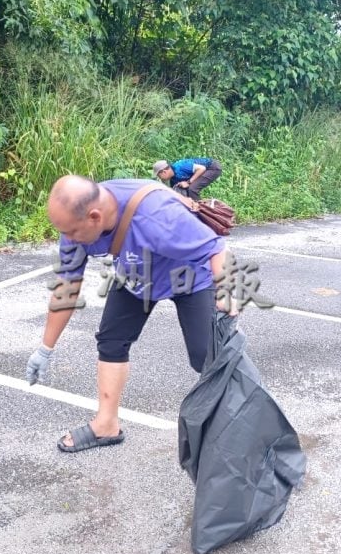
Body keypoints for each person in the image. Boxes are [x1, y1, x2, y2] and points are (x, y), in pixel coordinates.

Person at [26, 175, 231, 453]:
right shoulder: (78, 221)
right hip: (137, 272)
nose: (68, 239)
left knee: (208, 355)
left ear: (94, 217)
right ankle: (106, 425)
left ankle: (233, 429)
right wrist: (45, 349)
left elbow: (215, 247)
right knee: (112, 341)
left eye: (72, 232)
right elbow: (66, 288)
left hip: (190, 276)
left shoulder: (157, 215)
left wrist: (227, 294)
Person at [153, 157, 222, 201]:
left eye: (159, 176)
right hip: (203, 170)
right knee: (179, 189)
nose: (160, 179)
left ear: (164, 172)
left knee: (192, 189)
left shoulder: (181, 166)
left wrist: (188, 182)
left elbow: (202, 168)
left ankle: (199, 212)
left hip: (212, 168)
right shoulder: (173, 179)